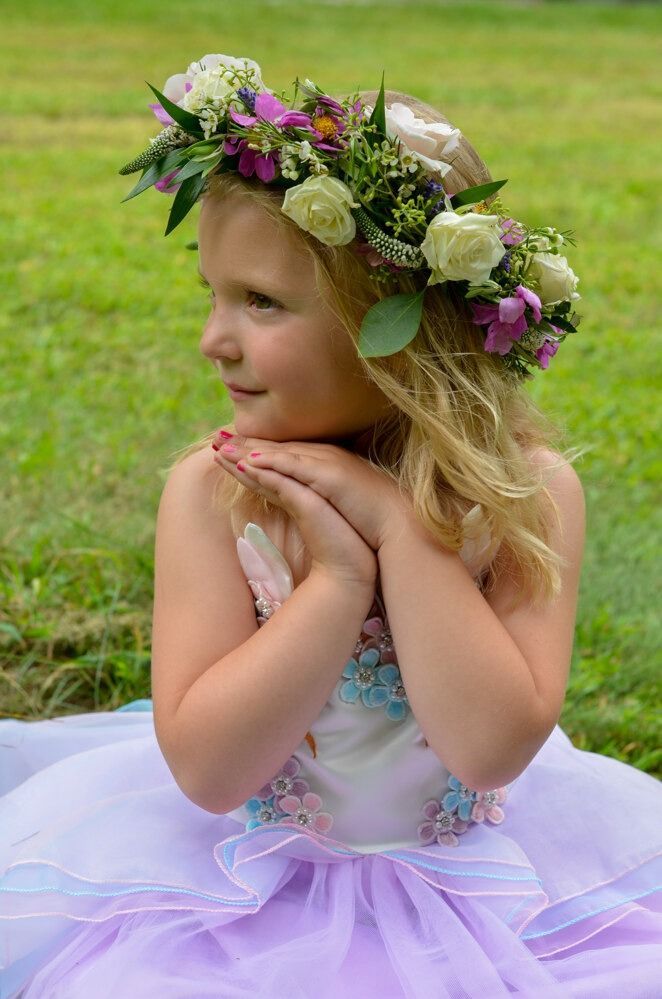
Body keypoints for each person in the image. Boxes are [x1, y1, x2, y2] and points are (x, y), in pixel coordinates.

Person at [1, 53, 660, 999]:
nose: (214, 339)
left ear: (400, 326)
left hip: (479, 884)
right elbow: (211, 771)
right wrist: (339, 583)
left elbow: (488, 746)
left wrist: (397, 526)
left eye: (261, 302)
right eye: (212, 294)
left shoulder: (527, 496)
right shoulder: (216, 493)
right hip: (246, 889)